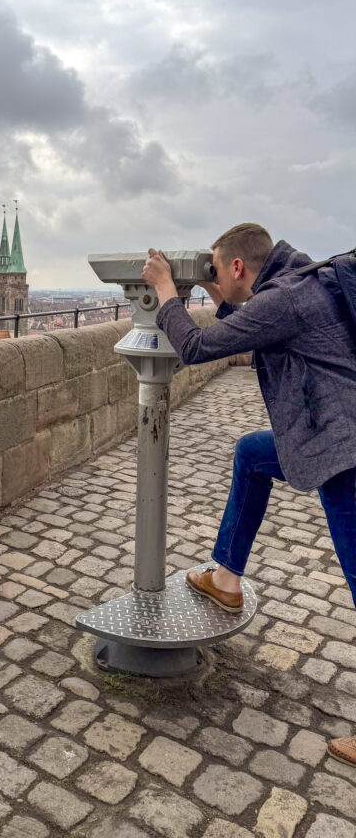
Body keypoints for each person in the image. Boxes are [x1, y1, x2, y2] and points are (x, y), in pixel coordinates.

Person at [142, 223, 356, 766]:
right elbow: (256, 327)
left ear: (238, 266)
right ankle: (226, 579)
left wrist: (168, 291)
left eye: (217, 267)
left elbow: (192, 346)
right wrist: (216, 295)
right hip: (323, 436)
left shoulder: (285, 298)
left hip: (343, 452)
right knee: (252, 454)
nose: (215, 274)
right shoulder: (303, 283)